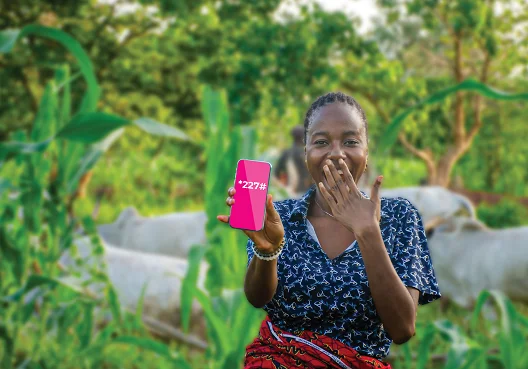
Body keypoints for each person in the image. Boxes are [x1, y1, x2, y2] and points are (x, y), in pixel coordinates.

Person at [217, 92, 441, 369]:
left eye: (350, 141)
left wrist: (368, 231)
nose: (336, 152)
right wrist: (268, 250)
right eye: (321, 142)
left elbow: (402, 329)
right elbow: (257, 298)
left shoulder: (398, 217)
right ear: (306, 153)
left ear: (366, 152)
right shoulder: (279, 216)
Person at [273, 125, 313, 197]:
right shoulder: (309, 153)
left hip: (292, 195)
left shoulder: (287, 153)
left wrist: (285, 189)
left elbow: (275, 176)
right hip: (309, 195)